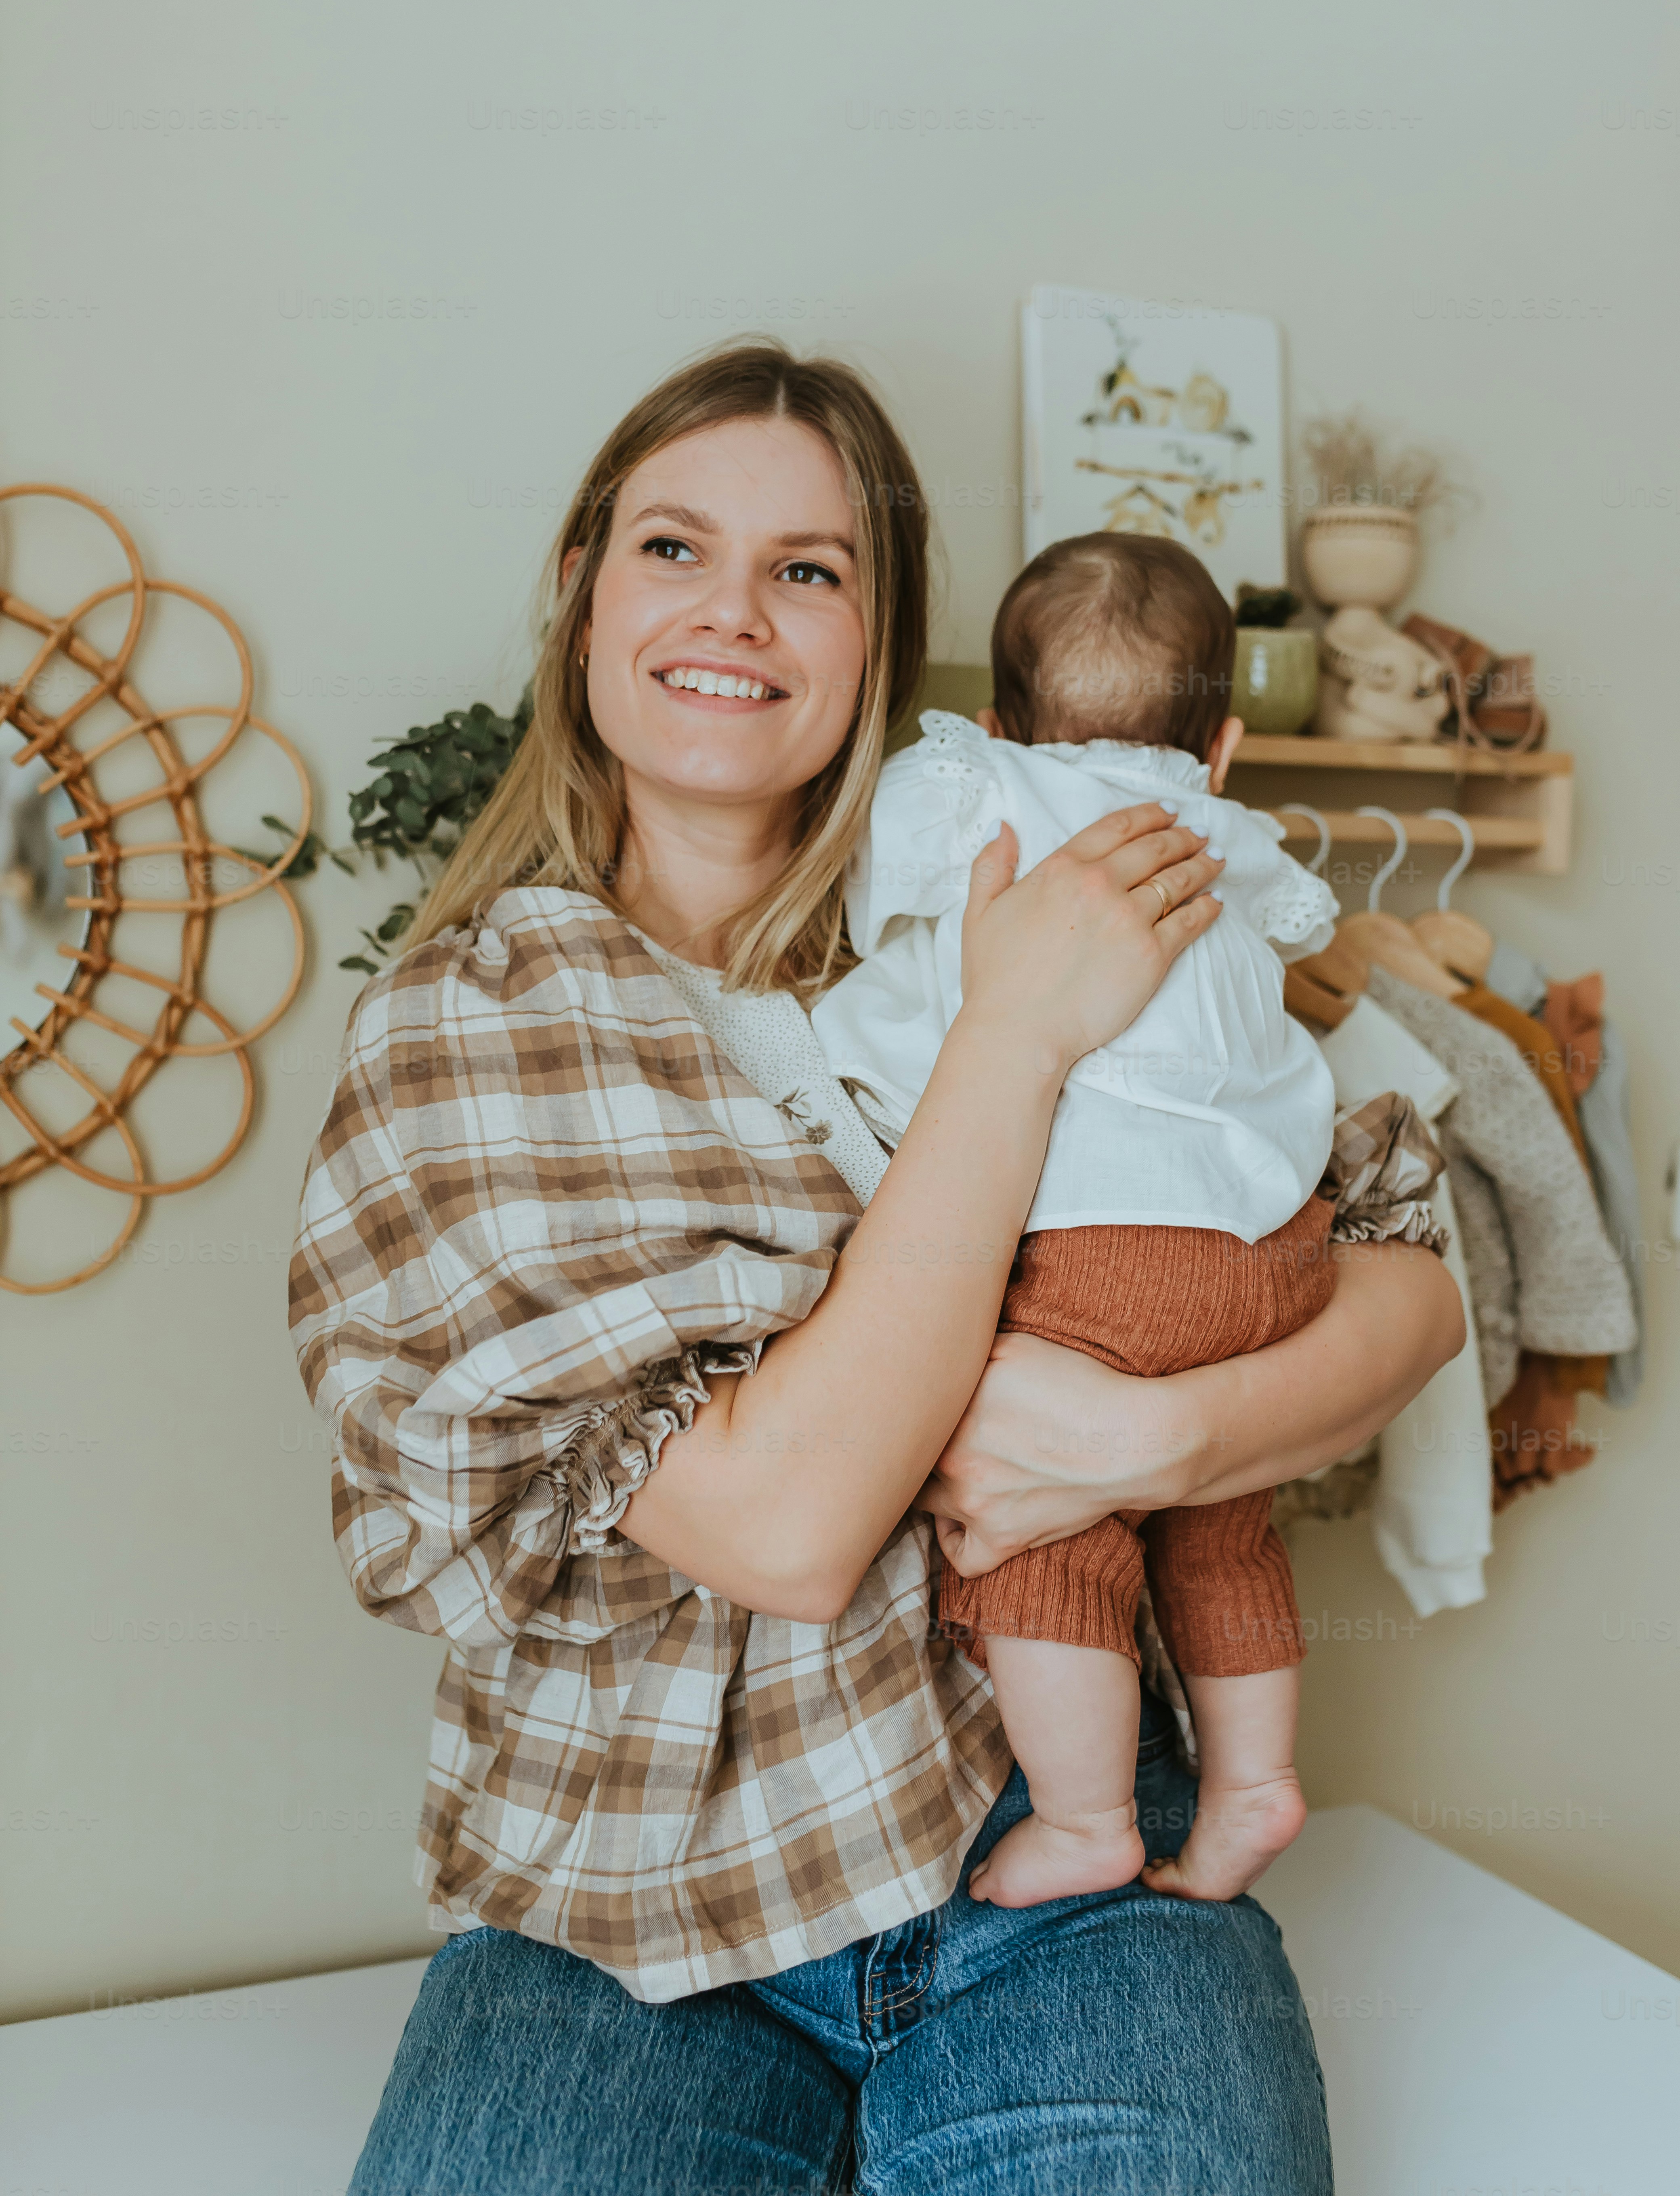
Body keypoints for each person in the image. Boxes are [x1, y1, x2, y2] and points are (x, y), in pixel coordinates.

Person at [291, 343, 1463, 2194]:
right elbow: (787, 1531)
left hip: (1053, 1839)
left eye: (808, 570)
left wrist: (1163, 1442)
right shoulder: (474, 1022)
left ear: (880, 645)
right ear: (583, 597)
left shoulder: (1001, 870)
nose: (732, 613)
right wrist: (1013, 1037)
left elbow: (1409, 1261)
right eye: (673, 548)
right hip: (623, 1905)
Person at [814, 532, 1446, 1912]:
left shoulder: (980, 785)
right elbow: (1293, 924)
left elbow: (868, 886)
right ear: (1222, 746)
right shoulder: (1226, 833)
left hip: (1101, 1252)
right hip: (1274, 1250)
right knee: (1222, 1521)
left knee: (1056, 1535)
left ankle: (1087, 1817)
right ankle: (1255, 1784)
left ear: (996, 724)